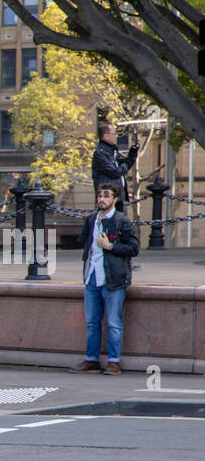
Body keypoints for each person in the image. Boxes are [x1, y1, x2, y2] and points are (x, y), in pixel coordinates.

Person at [70, 182, 138, 376]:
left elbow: (134, 248)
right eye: (99, 195)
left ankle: (113, 362)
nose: (101, 199)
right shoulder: (92, 219)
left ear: (115, 199)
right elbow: (84, 242)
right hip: (92, 277)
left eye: (106, 196)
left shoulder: (121, 221)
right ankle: (91, 360)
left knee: (114, 323)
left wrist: (110, 246)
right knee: (92, 322)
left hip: (113, 280)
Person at [91, 122, 138, 212]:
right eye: (114, 134)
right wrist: (124, 166)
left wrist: (132, 154)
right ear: (106, 136)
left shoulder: (112, 151)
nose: (116, 136)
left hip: (117, 197)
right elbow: (115, 172)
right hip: (108, 198)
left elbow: (123, 165)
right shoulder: (101, 153)